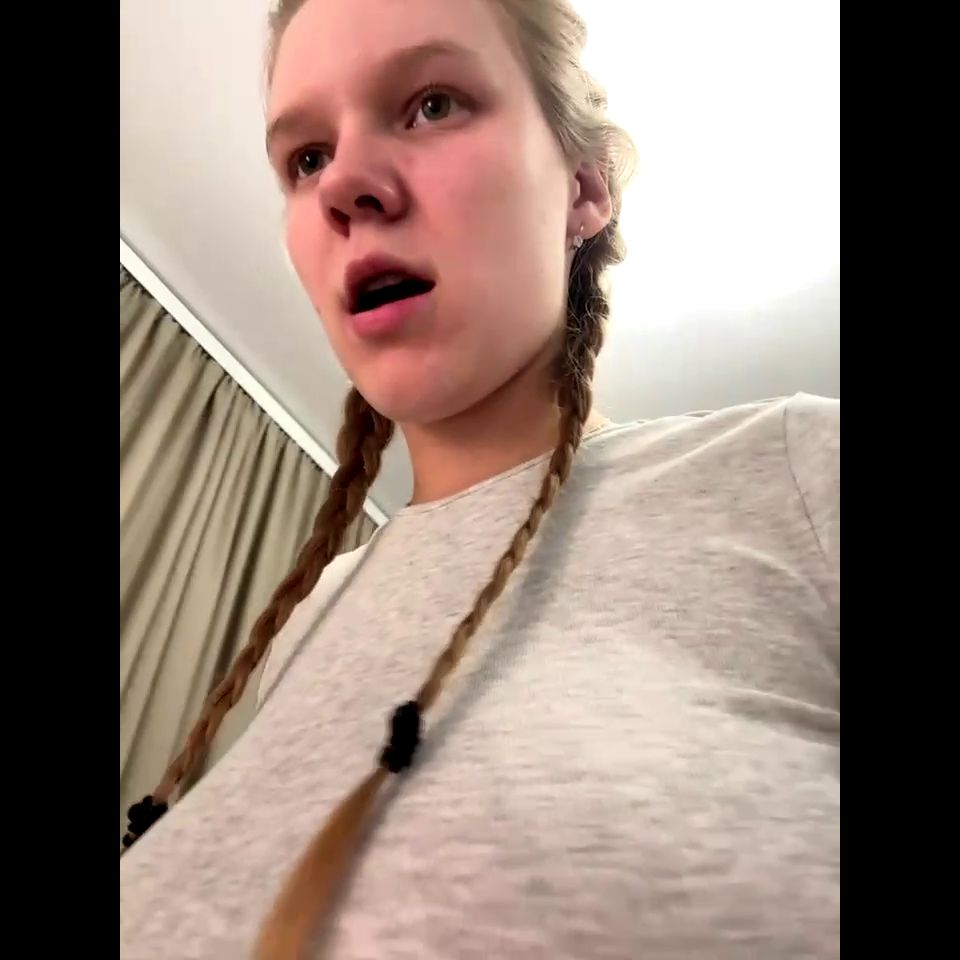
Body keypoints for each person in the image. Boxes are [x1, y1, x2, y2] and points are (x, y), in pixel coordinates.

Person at [119, 0, 840, 957]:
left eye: (432, 104)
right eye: (307, 157)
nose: (345, 186)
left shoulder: (797, 468)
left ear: (582, 189)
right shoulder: (311, 620)